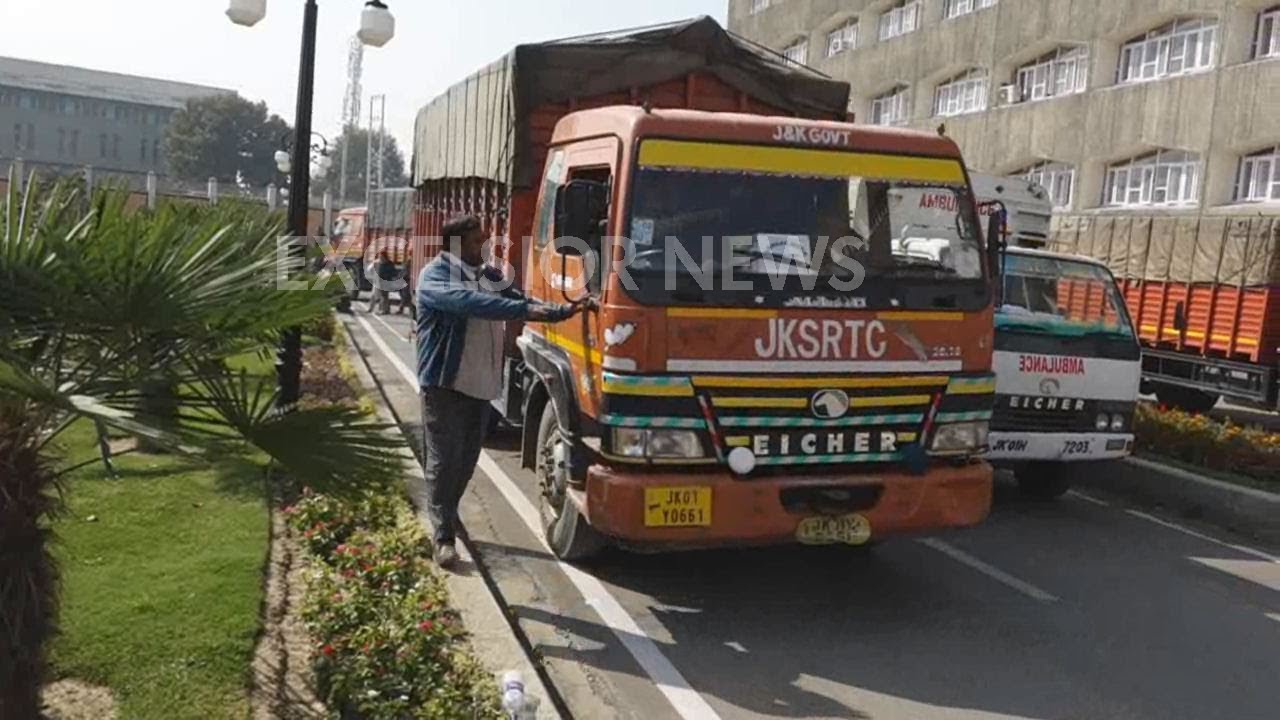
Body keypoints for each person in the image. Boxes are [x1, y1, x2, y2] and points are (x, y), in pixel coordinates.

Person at [416, 214, 579, 569]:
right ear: (457, 245)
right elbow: (474, 304)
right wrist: (526, 310)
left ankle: (446, 513)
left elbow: (519, 297)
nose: (485, 246)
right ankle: (443, 536)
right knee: (443, 462)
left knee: (465, 462)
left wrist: (565, 310)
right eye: (477, 241)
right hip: (445, 385)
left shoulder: (486, 275)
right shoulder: (435, 278)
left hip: (482, 387)